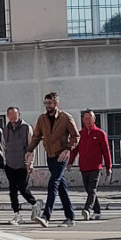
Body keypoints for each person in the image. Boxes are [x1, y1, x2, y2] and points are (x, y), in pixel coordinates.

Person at [26, 92, 79, 227]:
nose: (48, 106)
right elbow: (37, 136)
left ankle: (46, 216)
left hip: (62, 156)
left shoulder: (65, 117)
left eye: (50, 103)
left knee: (53, 184)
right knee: (61, 187)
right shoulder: (42, 119)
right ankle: (70, 217)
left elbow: (75, 136)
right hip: (50, 156)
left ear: (56, 104)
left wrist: (67, 149)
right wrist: (29, 150)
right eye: (46, 103)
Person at [2, 106, 44, 225]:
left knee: (22, 188)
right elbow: (4, 147)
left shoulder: (26, 128)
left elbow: (31, 146)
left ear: (19, 115)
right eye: (10, 114)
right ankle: (17, 215)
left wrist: (30, 163)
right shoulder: (5, 130)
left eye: (15, 114)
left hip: (23, 164)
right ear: (7, 116)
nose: (13, 117)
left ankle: (35, 204)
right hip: (10, 164)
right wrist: (5, 161)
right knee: (12, 191)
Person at [69, 110, 112, 221]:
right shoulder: (80, 134)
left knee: (92, 189)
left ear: (94, 119)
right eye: (85, 118)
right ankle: (97, 211)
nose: (87, 121)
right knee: (89, 190)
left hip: (95, 166)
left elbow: (106, 151)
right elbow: (75, 150)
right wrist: (70, 162)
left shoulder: (100, 133)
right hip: (84, 166)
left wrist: (109, 166)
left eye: (89, 118)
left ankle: (87, 209)